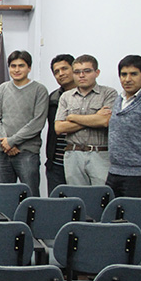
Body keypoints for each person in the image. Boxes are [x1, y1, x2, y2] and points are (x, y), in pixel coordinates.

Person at [0, 50, 49, 197]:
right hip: (2, 151)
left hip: (27, 152)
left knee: (30, 195)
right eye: (13, 66)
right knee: (3, 196)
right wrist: (6, 143)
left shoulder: (39, 90)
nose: (16, 70)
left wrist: (12, 141)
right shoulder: (3, 88)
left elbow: (37, 122)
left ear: (29, 68)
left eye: (21, 66)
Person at [54, 54, 118, 186]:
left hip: (99, 153)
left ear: (97, 72)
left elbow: (105, 121)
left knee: (102, 198)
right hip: (73, 154)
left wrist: (73, 118)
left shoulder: (109, 93)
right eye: (77, 72)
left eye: (87, 71)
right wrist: (94, 118)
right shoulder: (66, 97)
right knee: (77, 199)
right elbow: (59, 128)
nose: (81, 75)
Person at [106, 55, 141, 197]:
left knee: (134, 218)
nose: (127, 79)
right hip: (114, 172)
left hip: (140, 176)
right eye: (123, 74)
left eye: (133, 74)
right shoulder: (119, 99)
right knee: (109, 217)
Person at [45, 54, 76, 194]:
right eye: (56, 71)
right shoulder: (53, 98)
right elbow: (56, 129)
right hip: (56, 162)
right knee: (56, 207)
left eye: (64, 69)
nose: (61, 74)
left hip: (79, 161)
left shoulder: (91, 96)